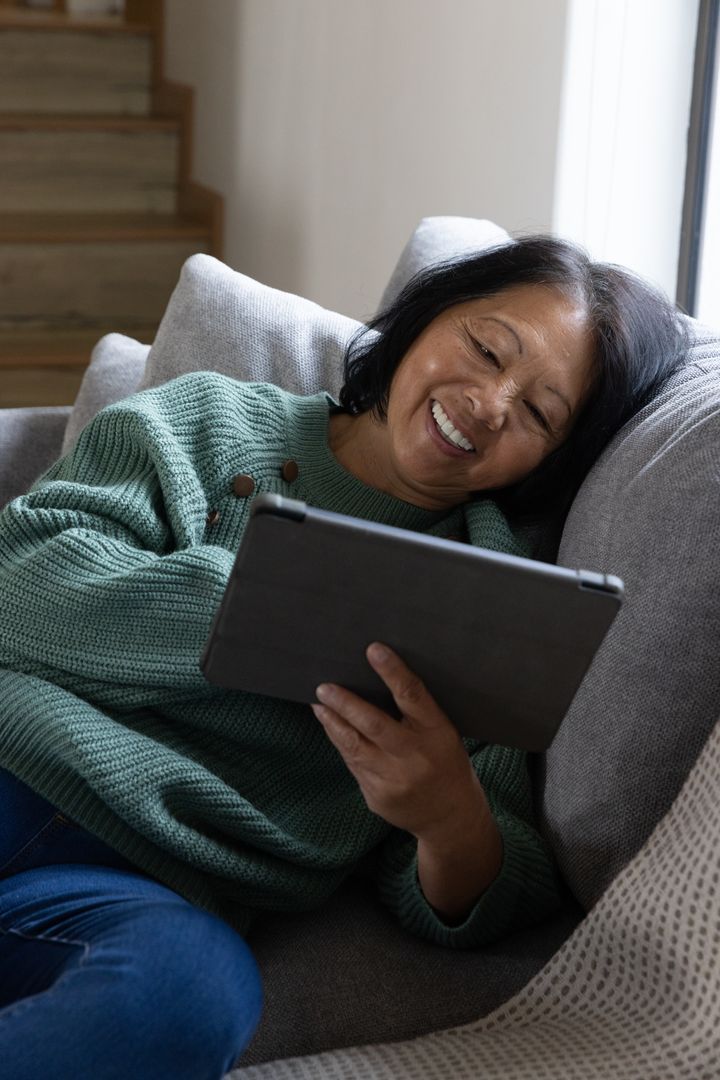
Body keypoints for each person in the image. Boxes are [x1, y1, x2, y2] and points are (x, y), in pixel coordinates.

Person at [0, 236, 687, 1079]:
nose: (489, 403)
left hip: (138, 893)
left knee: (198, 990)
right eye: (486, 348)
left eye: (540, 414)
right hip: (14, 763)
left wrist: (446, 816)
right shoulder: (211, 420)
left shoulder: (490, 601)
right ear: (428, 318)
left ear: (555, 458)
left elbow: (480, 890)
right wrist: (266, 603)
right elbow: (19, 580)